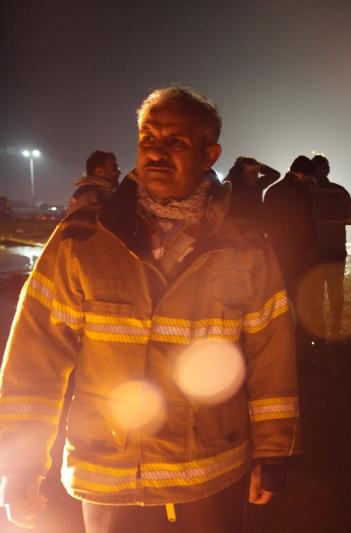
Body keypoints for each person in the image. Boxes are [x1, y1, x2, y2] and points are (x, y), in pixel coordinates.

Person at [0, 86, 301, 533]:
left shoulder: (246, 248)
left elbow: (271, 356)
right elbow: (34, 359)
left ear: (209, 154)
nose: (156, 152)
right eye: (148, 138)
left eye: (175, 141)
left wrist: (274, 450)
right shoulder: (82, 240)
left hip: (209, 475)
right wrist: (20, 467)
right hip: (112, 477)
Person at [263, 155, 318, 359]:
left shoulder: (273, 190)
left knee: (278, 302)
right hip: (299, 255)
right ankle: (301, 347)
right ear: (302, 173)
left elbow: (265, 222)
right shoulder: (301, 192)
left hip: (277, 252)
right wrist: (312, 248)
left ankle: (276, 343)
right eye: (309, 176)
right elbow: (308, 224)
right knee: (302, 301)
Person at [307, 154, 351, 346]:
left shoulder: (307, 193)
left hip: (315, 250)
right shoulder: (340, 191)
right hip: (336, 248)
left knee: (316, 294)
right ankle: (335, 331)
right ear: (327, 170)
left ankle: (319, 337)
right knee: (336, 291)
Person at [223, 156, 280, 227]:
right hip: (235, 225)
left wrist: (260, 167)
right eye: (251, 173)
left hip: (255, 225)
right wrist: (239, 166)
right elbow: (232, 176)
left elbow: (275, 175)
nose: (255, 176)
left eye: (256, 172)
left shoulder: (258, 184)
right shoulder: (235, 184)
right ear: (241, 173)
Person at [66, 150, 121, 215]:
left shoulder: (96, 193)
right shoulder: (90, 196)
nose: (119, 173)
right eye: (114, 169)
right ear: (99, 171)